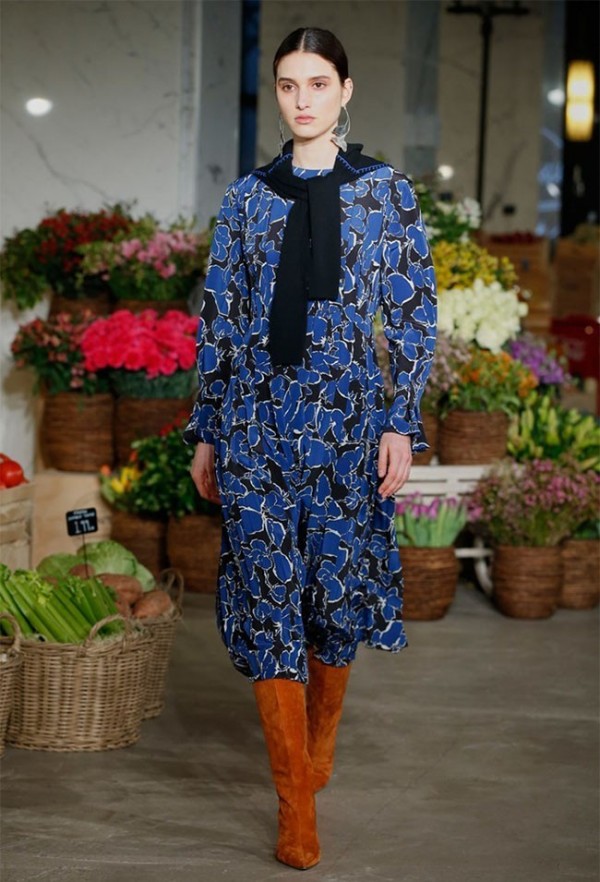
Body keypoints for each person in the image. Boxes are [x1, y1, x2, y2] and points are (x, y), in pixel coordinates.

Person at [183, 26, 437, 871]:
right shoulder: (246, 200)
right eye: (289, 84)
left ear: (345, 90)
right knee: (268, 602)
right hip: (255, 428)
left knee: (333, 603)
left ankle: (318, 745)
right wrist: (208, 430)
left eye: (318, 83)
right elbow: (219, 322)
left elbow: (412, 317)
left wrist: (400, 421)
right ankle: (295, 805)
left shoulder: (386, 194)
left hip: (346, 430)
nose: (302, 99)